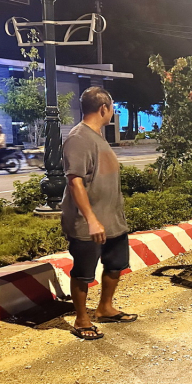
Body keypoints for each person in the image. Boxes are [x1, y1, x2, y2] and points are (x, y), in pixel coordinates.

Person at [61, 87, 137, 341]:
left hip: (112, 220)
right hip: (87, 223)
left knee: (116, 265)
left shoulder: (98, 136)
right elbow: (75, 182)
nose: (112, 112)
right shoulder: (79, 138)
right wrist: (92, 220)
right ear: (103, 108)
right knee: (83, 271)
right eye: (112, 107)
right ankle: (82, 319)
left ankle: (105, 308)